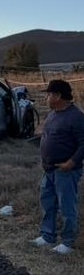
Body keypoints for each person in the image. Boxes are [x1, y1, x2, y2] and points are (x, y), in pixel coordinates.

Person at [31, 79, 84, 255]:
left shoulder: (76, 117)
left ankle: (68, 242)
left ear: (58, 96)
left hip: (65, 170)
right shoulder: (53, 114)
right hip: (49, 169)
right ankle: (48, 235)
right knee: (47, 203)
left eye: (49, 94)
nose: (46, 98)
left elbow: (83, 144)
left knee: (67, 206)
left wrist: (71, 162)